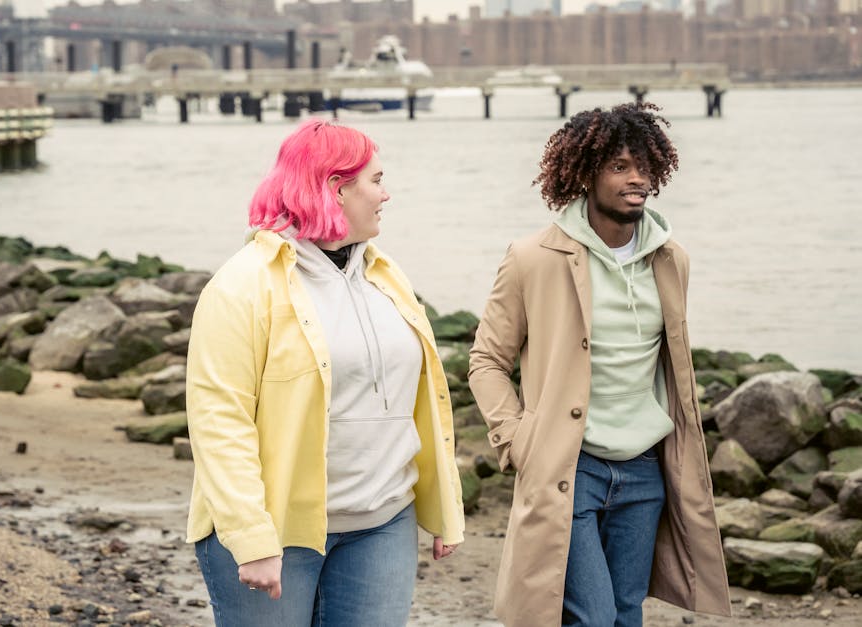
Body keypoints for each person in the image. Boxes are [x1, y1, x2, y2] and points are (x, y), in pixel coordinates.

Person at [185, 118, 464, 627]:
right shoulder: (241, 285)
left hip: (383, 523)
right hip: (278, 531)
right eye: (376, 180)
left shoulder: (385, 275)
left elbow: (420, 402)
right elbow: (219, 421)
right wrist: (251, 539)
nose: (386, 194)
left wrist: (444, 508)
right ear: (336, 188)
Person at [468, 102, 731, 627]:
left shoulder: (670, 259)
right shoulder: (532, 258)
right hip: (571, 467)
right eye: (619, 167)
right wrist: (516, 439)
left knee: (625, 614)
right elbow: (487, 360)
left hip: (645, 469)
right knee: (589, 615)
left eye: (644, 167)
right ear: (586, 174)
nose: (637, 179)